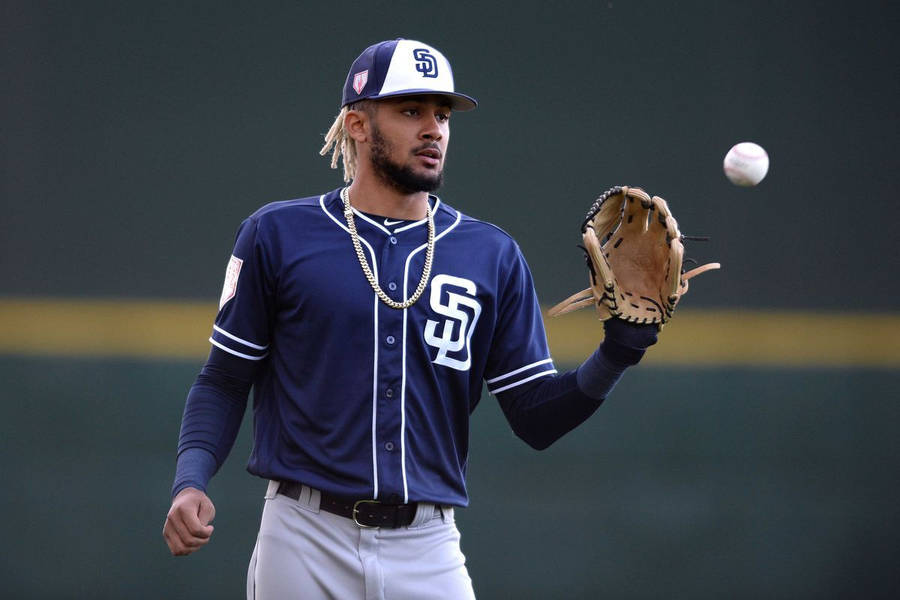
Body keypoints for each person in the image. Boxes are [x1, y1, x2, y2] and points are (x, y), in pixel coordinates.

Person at [162, 38, 659, 599]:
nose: (434, 129)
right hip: (303, 537)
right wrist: (190, 480)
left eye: (442, 115)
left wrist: (617, 353)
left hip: (429, 545)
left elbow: (536, 420)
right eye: (410, 111)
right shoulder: (278, 235)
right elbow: (224, 379)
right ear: (356, 124)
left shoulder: (490, 254)